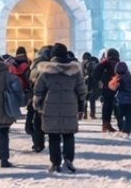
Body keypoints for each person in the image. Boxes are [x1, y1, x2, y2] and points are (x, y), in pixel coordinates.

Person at [34, 43, 86, 174]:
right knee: (69, 134)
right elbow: (81, 91)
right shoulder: (74, 71)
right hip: (70, 106)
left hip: (50, 106)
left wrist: (39, 105)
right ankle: (68, 159)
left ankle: (55, 162)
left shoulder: (46, 71)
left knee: (53, 136)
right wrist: (81, 107)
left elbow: (38, 90)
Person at [27, 46, 51, 152]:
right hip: (51, 96)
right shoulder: (54, 64)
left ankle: (38, 144)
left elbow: (31, 79)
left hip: (38, 95)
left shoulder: (37, 64)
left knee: (37, 121)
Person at [92, 48, 121, 133]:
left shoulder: (105, 63)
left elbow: (96, 74)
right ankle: (120, 124)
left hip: (106, 87)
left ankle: (106, 124)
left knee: (106, 107)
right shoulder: (119, 63)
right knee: (115, 106)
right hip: (117, 87)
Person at [113, 61, 131, 136]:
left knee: (120, 116)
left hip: (121, 100)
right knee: (129, 116)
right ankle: (127, 130)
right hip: (130, 100)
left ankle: (121, 128)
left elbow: (115, 89)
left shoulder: (119, 79)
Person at [80, 52, 99, 119]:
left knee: (84, 99)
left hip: (84, 83)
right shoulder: (92, 63)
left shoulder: (81, 64)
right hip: (92, 83)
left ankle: (84, 114)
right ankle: (92, 114)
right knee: (92, 99)